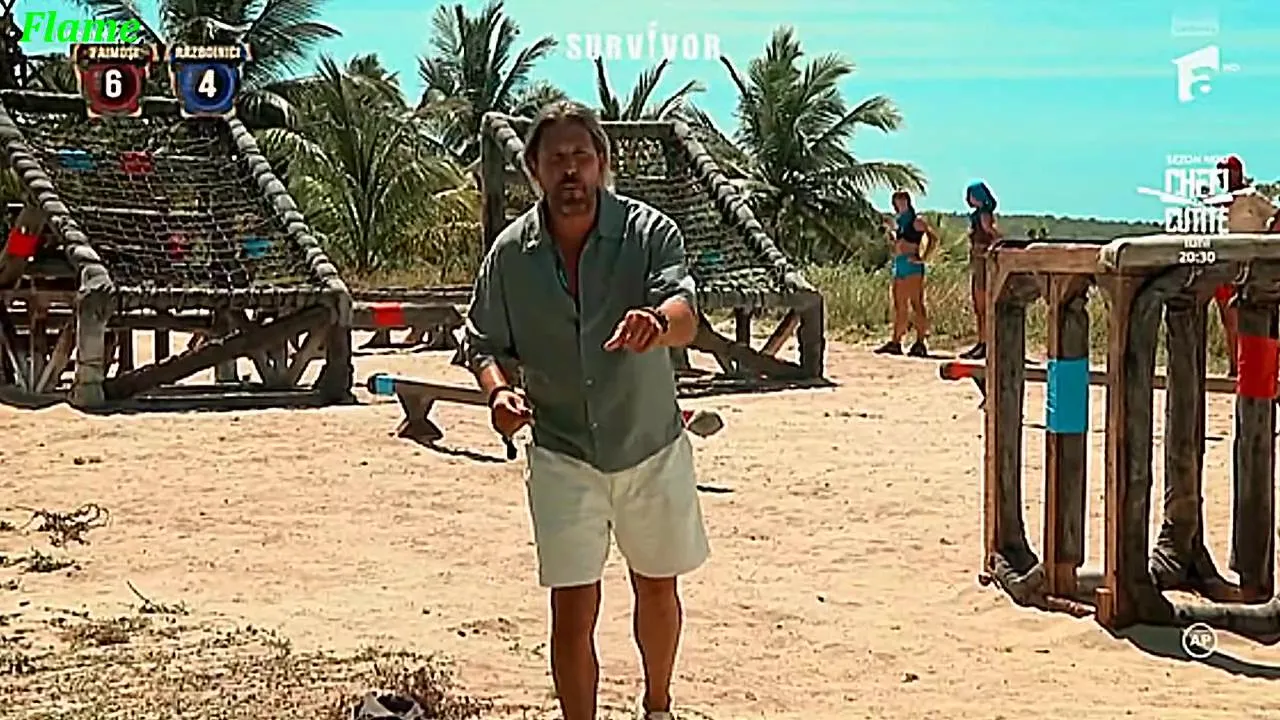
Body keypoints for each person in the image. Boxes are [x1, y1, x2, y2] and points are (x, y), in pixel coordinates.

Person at [462, 100, 710, 720]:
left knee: (657, 586)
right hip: (561, 451)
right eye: (556, 160)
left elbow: (685, 312)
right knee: (571, 608)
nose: (570, 171)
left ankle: (657, 705)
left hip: (648, 443)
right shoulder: (510, 255)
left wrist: (656, 324)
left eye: (581, 156)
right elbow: (482, 342)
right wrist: (497, 393)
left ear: (602, 162)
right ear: (534, 171)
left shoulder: (649, 234)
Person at [1208, 155, 1280, 375]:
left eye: (1228, 171)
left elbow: (1276, 214)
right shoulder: (1218, 201)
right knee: (1228, 318)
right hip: (1223, 264)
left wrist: (1267, 244)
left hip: (1250, 266)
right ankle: (1235, 366)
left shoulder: (1251, 197)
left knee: (1254, 319)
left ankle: (1261, 367)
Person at [874, 190, 937, 357]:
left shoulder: (916, 221)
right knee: (899, 304)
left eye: (902, 201)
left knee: (916, 303)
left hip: (912, 265)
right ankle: (896, 340)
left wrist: (923, 258)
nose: (900, 204)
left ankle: (920, 341)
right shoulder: (900, 222)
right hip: (900, 264)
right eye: (897, 201)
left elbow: (933, 238)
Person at [960, 181, 1001, 360]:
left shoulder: (983, 214)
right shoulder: (982, 213)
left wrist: (998, 243)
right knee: (980, 304)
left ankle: (984, 341)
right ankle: (983, 341)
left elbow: (989, 230)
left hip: (981, 259)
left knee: (982, 302)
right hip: (979, 258)